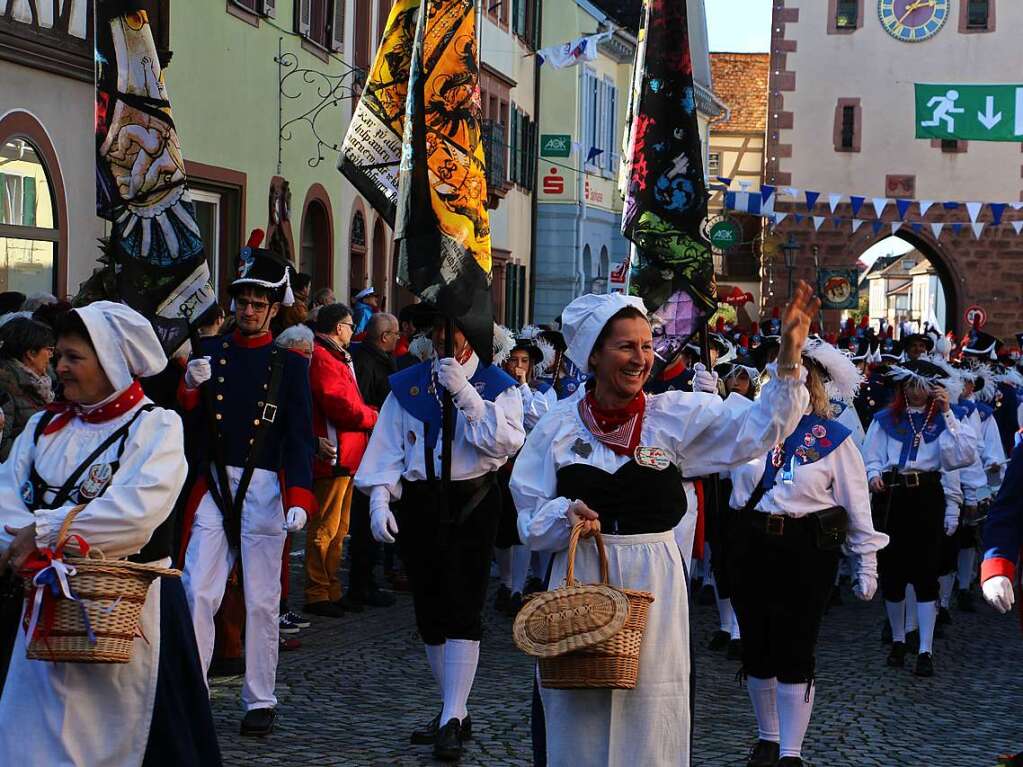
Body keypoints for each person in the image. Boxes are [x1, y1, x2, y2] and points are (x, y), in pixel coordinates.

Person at [511, 284, 820, 767]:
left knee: (651, 713)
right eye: (626, 346)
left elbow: (759, 430)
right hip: (582, 578)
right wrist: (563, 514)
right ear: (593, 356)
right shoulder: (558, 426)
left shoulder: (671, 416)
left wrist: (788, 360)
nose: (641, 358)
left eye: (647, 345)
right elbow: (528, 515)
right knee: (577, 707)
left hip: (654, 585)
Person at [0, 302, 221, 766]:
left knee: (127, 744)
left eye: (73, 357)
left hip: (129, 620)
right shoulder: (43, 426)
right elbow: (4, 496)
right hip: (40, 618)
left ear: (113, 361)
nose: (59, 367)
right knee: (27, 738)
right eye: (58, 355)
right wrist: (21, 543)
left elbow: (135, 513)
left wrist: (43, 533)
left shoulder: (154, 427)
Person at [355, 312, 524, 762]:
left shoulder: (497, 385)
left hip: (473, 499)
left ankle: (452, 714)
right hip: (421, 499)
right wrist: (378, 499)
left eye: (454, 331)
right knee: (430, 608)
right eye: (437, 332)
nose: (445, 340)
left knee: (463, 603)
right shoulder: (408, 384)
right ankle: (454, 708)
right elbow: (389, 445)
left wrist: (467, 396)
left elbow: (505, 442)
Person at [728, 339, 887, 767]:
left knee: (795, 645)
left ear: (810, 384)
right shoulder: (749, 427)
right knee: (757, 644)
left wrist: (865, 563)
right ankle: (767, 738)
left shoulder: (834, 439)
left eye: (794, 376)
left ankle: (790, 752)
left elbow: (857, 505)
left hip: (805, 549)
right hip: (752, 540)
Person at [179, 247, 315, 737]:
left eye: (258, 303)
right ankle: (192, 693)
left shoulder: (290, 365)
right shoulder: (210, 353)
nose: (248, 310)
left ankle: (260, 698)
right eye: (242, 301)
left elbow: (300, 434)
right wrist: (189, 391)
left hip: (264, 488)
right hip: (215, 482)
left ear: (273, 309)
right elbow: (188, 428)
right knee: (197, 589)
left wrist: (299, 495)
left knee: (261, 600)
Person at [862, 359, 977, 677]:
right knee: (894, 573)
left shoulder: (944, 420)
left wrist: (948, 412)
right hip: (894, 498)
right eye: (910, 385)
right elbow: (870, 455)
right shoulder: (885, 419)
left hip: (927, 497)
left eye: (922, 385)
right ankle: (899, 640)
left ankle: (925, 648)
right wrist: (873, 475)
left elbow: (962, 457)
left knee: (926, 573)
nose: (916, 391)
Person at [304, 303, 378, 617]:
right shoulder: (323, 357)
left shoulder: (335, 354)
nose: (352, 330)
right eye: (349, 325)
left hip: (346, 455)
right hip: (334, 454)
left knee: (338, 528)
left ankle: (330, 587)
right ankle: (317, 591)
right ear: (338, 327)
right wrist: (373, 416)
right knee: (325, 528)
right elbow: (340, 404)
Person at [346, 312, 400, 609]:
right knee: (364, 523)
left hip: (373, 446)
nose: (397, 340)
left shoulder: (371, 357)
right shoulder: (367, 362)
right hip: (368, 449)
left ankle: (366, 581)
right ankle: (360, 584)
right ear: (383, 337)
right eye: (394, 335)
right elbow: (365, 402)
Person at [0, 317, 55, 459]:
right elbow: (2, 444)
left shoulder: (43, 383)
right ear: (31, 354)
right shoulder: (5, 387)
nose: (51, 355)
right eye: (48, 349)